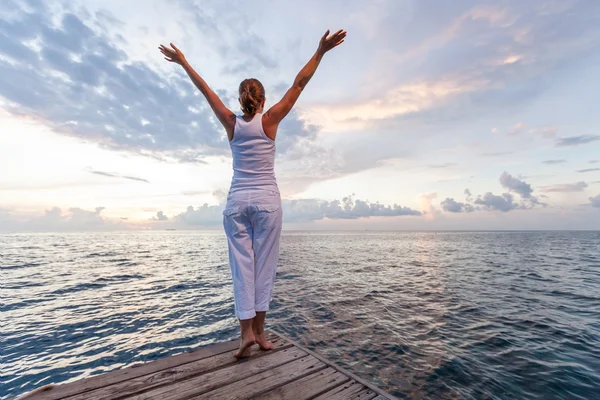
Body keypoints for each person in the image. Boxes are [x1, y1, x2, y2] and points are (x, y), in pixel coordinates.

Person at [159, 29, 346, 358]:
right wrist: (320, 51)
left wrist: (183, 61)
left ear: (241, 99)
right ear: (261, 100)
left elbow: (204, 90)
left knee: (242, 268)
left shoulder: (231, 123)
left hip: (237, 204)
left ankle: (246, 334)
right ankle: (259, 331)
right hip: (267, 204)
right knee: (264, 267)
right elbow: (299, 84)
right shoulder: (271, 119)